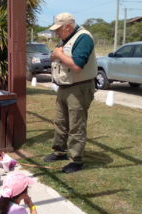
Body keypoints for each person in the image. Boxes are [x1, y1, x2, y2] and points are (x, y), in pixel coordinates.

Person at [44, 13, 97, 173]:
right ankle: (59, 151)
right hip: (64, 86)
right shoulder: (66, 39)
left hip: (78, 87)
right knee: (60, 121)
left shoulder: (83, 38)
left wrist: (58, 54)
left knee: (76, 125)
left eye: (58, 30)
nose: (56, 33)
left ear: (68, 26)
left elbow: (77, 65)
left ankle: (76, 160)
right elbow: (55, 56)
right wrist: (55, 55)